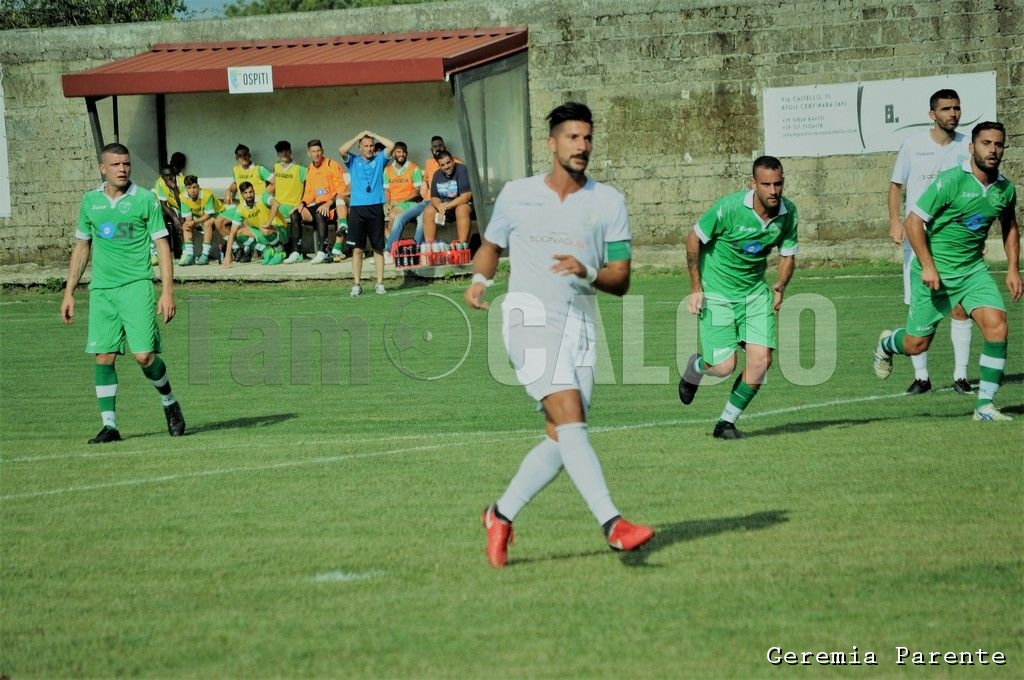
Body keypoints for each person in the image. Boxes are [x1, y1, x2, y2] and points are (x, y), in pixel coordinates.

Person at [465, 102, 654, 569]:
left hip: (581, 328)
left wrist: (587, 270)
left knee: (561, 436)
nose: (582, 146)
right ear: (551, 143)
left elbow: (622, 279)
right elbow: (491, 245)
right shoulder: (516, 194)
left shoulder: (609, 201)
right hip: (527, 320)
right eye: (572, 137)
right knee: (570, 417)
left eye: (587, 138)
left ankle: (499, 514)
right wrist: (480, 281)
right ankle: (613, 524)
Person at [873, 121, 1021, 421]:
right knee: (917, 344)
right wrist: (927, 265)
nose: (993, 150)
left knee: (998, 326)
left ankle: (984, 407)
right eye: (986, 143)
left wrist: (1013, 268)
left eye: (998, 144)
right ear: (972, 148)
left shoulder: (1005, 189)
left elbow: (1010, 226)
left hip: (972, 272)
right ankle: (887, 344)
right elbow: (914, 222)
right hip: (934, 273)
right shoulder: (951, 182)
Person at [60, 142, 185, 444]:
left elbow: (163, 247)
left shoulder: (146, 200)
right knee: (103, 357)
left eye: (126, 164)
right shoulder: (90, 202)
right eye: (115, 164)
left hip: (136, 286)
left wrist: (167, 292)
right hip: (102, 290)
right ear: (103, 168)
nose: (122, 169)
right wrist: (69, 292)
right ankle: (110, 425)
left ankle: (169, 402)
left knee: (143, 356)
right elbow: (82, 247)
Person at [677, 156, 798, 440]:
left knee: (760, 363)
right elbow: (693, 239)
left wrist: (780, 285)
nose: (773, 191)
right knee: (723, 367)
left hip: (755, 293)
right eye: (766, 184)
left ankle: (725, 423)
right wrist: (696, 288)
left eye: (778, 184)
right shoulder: (728, 208)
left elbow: (788, 253)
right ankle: (696, 368)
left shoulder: (788, 212)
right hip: (717, 292)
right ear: (752, 184)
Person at [888, 89, 974, 395]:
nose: (953, 113)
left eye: (957, 108)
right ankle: (921, 377)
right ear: (932, 114)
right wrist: (896, 221)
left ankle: (961, 376)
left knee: (960, 307)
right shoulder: (912, 144)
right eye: (946, 109)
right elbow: (896, 186)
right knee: (920, 309)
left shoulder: (968, 146)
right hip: (919, 236)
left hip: (954, 241)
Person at [339, 129, 396, 296]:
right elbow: (341, 150)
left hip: (375, 208)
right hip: (357, 209)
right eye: (366, 146)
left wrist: (375, 135)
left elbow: (392, 145)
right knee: (357, 249)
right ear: (360, 147)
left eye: (371, 145)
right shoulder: (353, 161)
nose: (370, 148)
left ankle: (379, 283)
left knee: (378, 247)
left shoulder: (380, 160)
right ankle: (357, 284)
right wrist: (358, 136)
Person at [291, 139, 346, 264]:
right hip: (319, 204)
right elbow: (309, 193)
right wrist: (302, 204)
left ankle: (322, 251)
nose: (316, 154)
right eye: (313, 151)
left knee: (319, 212)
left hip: (333, 205)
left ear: (322, 151)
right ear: (308, 153)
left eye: (318, 151)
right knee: (295, 214)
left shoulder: (332, 165)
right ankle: (296, 252)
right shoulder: (309, 169)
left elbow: (341, 190)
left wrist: (328, 203)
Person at [221, 181, 289, 267]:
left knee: (264, 229)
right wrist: (227, 256)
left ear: (254, 191)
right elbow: (232, 233)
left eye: (250, 192)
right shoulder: (240, 209)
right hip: (264, 232)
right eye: (245, 193)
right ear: (241, 195)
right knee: (239, 233)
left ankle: (280, 252)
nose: (249, 195)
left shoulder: (262, 197)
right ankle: (266, 250)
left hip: (281, 231)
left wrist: (268, 223)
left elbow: (276, 204)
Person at [383, 141, 426, 253]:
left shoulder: (414, 168)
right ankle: (392, 245)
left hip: (409, 203)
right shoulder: (387, 170)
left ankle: (390, 251)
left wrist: (399, 201)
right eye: (399, 152)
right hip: (393, 203)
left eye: (404, 152)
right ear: (393, 154)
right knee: (372, 216)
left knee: (393, 215)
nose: (402, 154)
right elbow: (386, 190)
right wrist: (387, 204)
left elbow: (417, 192)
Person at [178, 175, 231, 265]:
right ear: (186, 188)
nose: (192, 190)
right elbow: (188, 218)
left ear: (198, 186)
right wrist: (190, 223)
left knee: (207, 223)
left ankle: (205, 255)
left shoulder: (206, 194)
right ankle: (190, 255)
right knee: (187, 225)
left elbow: (208, 215)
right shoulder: (183, 197)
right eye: (189, 188)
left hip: (218, 213)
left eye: (194, 187)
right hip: (200, 216)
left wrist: (194, 222)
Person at [422, 150, 473, 243]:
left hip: (461, 205)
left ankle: (461, 246)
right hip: (445, 208)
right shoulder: (437, 174)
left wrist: (445, 206)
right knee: (428, 211)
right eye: (442, 165)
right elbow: (434, 197)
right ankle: (430, 247)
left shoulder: (462, 169)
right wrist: (439, 206)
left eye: (448, 162)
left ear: (453, 161)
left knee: (461, 209)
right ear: (439, 165)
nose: (446, 167)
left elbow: (466, 196)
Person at [270, 140, 307, 262]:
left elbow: (308, 188)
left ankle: (289, 249)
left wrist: (303, 203)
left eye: (286, 150)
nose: (284, 153)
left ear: (290, 152)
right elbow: (272, 185)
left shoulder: (300, 169)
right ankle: (276, 249)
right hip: (279, 204)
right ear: (278, 154)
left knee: (281, 217)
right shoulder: (276, 166)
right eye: (281, 151)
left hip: (293, 205)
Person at [154, 164, 184, 260]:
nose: (168, 178)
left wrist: (175, 187)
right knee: (162, 216)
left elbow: (182, 204)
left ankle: (181, 252)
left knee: (181, 221)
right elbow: (163, 204)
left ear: (174, 173)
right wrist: (175, 218)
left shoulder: (182, 181)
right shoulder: (160, 182)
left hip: (186, 207)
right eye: (165, 176)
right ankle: (164, 251)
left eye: (170, 175)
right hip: (172, 208)